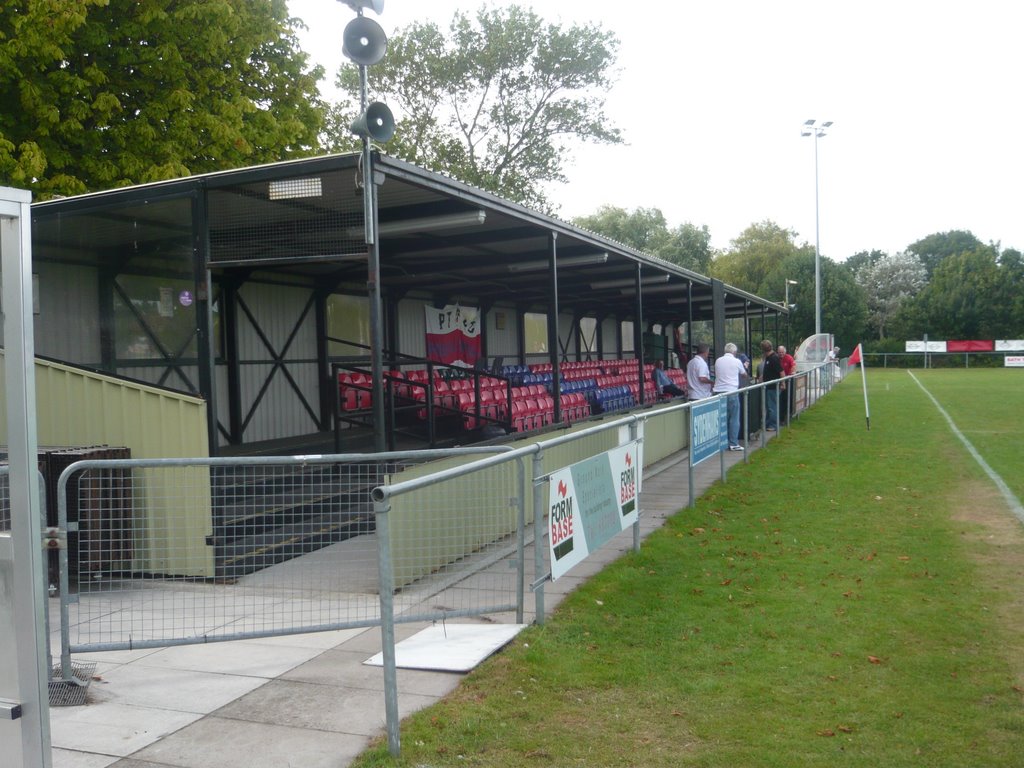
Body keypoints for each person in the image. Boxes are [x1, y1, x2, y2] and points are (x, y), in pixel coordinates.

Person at [712, 342, 748, 451]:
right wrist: (745, 366)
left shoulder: (718, 360)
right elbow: (744, 374)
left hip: (718, 392)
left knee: (721, 418)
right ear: (734, 352)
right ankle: (733, 443)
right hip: (731, 391)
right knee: (734, 418)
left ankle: (720, 443)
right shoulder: (737, 361)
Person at [760, 339, 784, 431]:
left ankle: (773, 425)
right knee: (769, 406)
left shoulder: (774, 358)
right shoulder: (769, 358)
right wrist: (763, 376)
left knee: (772, 406)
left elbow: (781, 371)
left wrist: (783, 383)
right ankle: (768, 423)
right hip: (769, 386)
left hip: (773, 386)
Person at [777, 344, 796, 422]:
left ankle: (788, 414)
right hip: (779, 381)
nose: (781, 354)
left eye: (782, 352)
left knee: (787, 398)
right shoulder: (776, 358)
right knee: (780, 399)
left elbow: (793, 366)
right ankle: (781, 417)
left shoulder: (789, 358)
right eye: (779, 352)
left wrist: (792, 372)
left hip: (788, 381)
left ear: (785, 352)